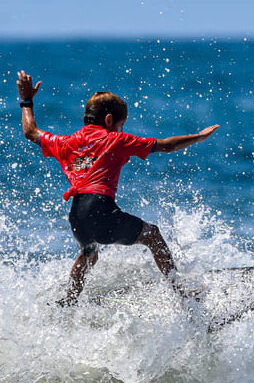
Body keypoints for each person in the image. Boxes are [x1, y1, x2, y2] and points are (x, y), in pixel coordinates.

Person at [18, 70, 219, 305]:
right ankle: (182, 292)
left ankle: (68, 302)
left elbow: (30, 132)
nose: (122, 130)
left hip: (77, 216)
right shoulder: (116, 139)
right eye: (121, 125)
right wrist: (198, 137)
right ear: (109, 121)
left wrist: (26, 101)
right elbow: (166, 146)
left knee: (89, 254)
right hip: (99, 209)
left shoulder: (66, 143)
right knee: (152, 235)